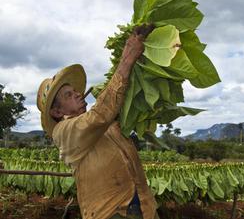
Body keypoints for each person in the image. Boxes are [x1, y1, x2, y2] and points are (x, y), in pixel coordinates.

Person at [36, 26, 159, 219]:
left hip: (144, 208)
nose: (77, 93)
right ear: (57, 111)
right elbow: (99, 115)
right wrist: (126, 60)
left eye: (76, 91)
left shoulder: (107, 124)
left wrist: (141, 61)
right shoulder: (63, 132)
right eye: (69, 95)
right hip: (111, 213)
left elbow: (112, 110)